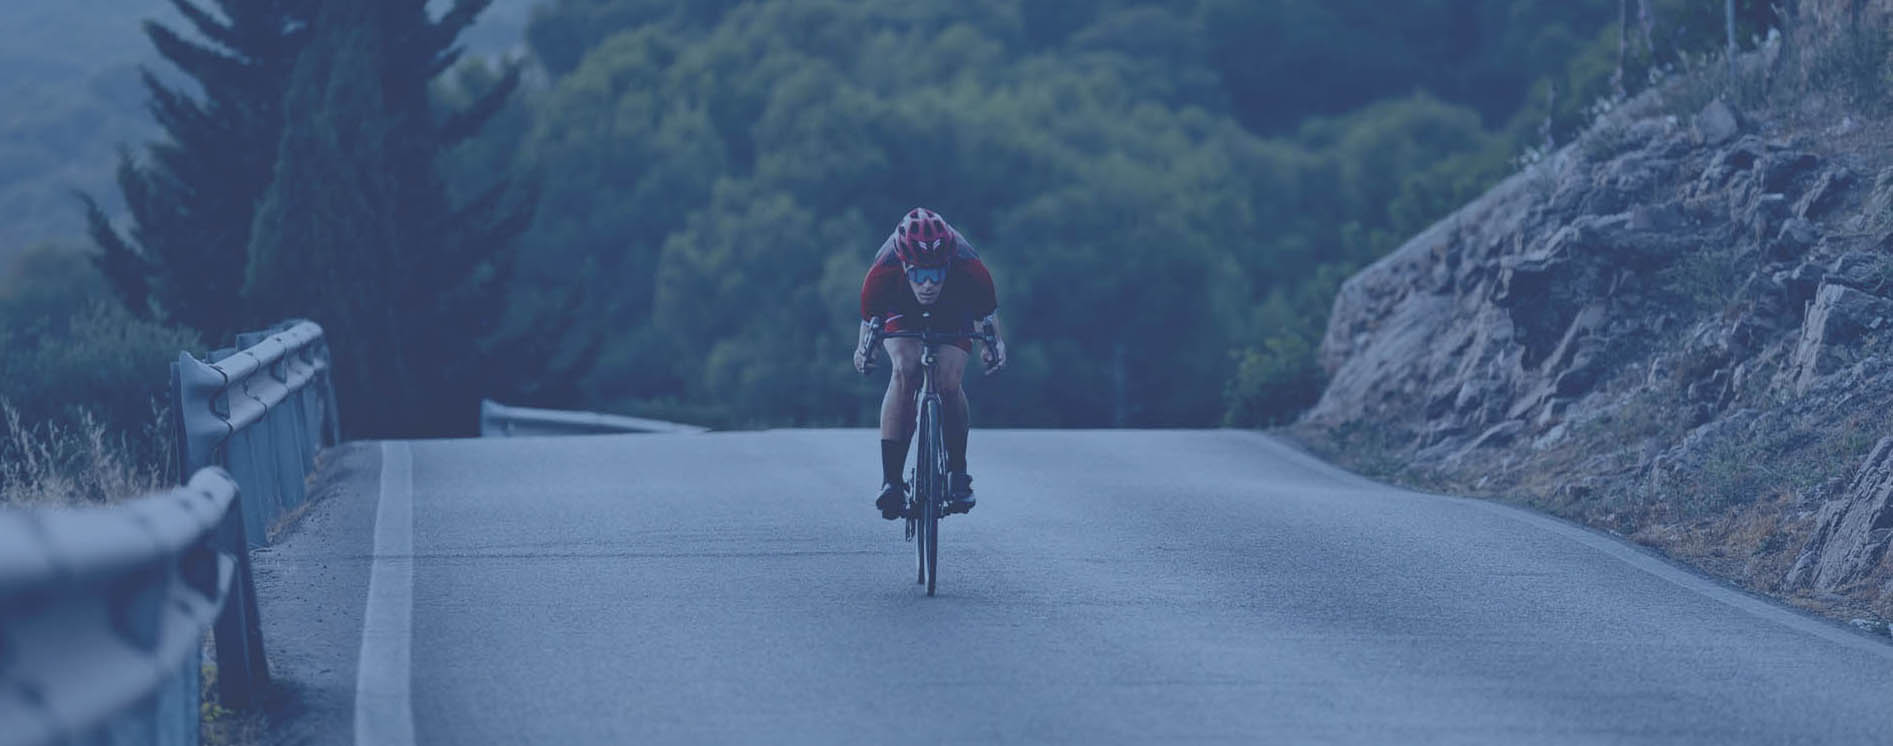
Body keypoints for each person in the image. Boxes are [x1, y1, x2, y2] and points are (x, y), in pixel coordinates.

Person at [854, 208, 1007, 520]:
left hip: (955, 311)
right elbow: (870, 322)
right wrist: (864, 352)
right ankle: (892, 482)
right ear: (905, 267)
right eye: (920, 275)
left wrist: (993, 347)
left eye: (936, 274)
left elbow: (988, 319)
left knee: (949, 381)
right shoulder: (884, 270)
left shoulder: (969, 267)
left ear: (948, 266)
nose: (928, 284)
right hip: (900, 311)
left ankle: (958, 473)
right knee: (904, 370)